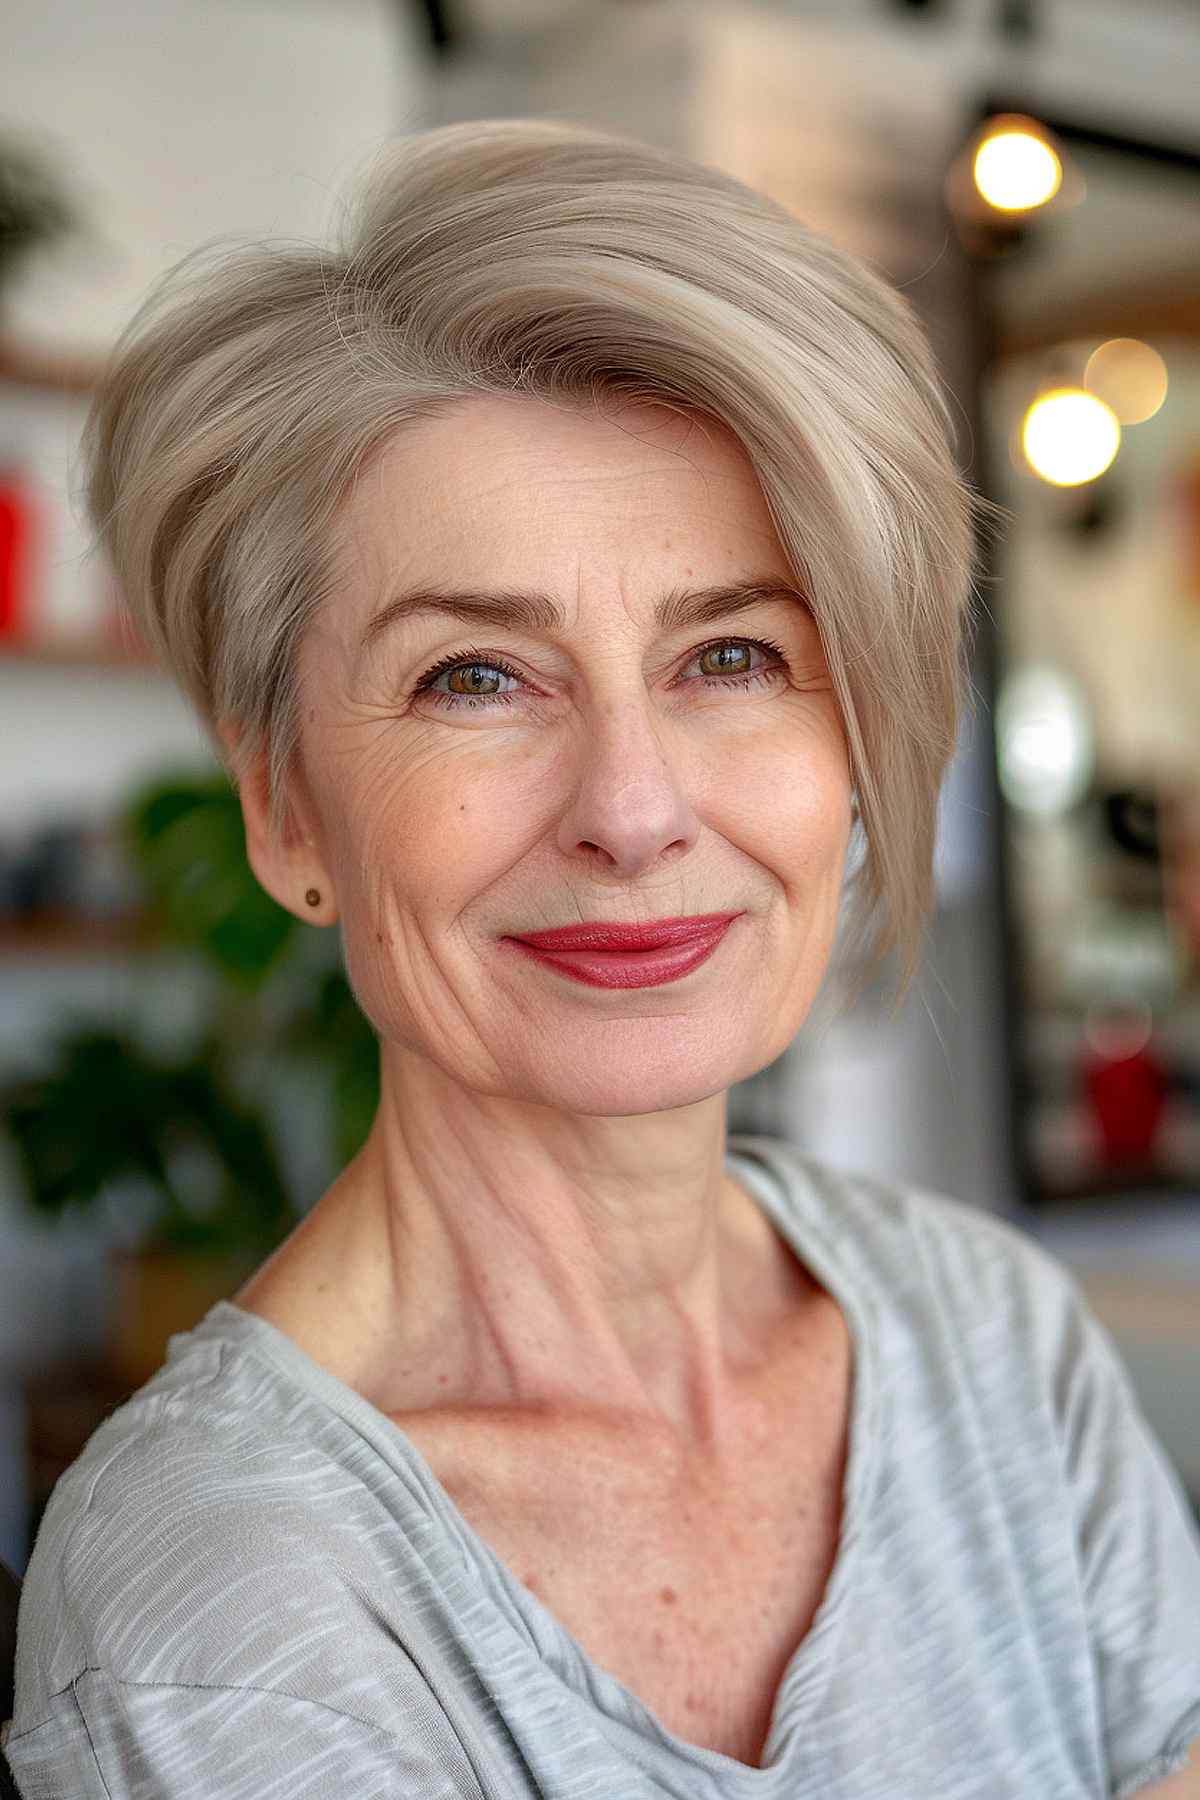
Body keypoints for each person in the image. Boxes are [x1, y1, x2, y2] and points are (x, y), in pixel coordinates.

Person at [5, 116, 1199, 1799]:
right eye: (476, 678)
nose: (632, 811)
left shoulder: (991, 1330)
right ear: (285, 811)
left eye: (732, 651)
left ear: (857, 744)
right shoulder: (230, 1599)